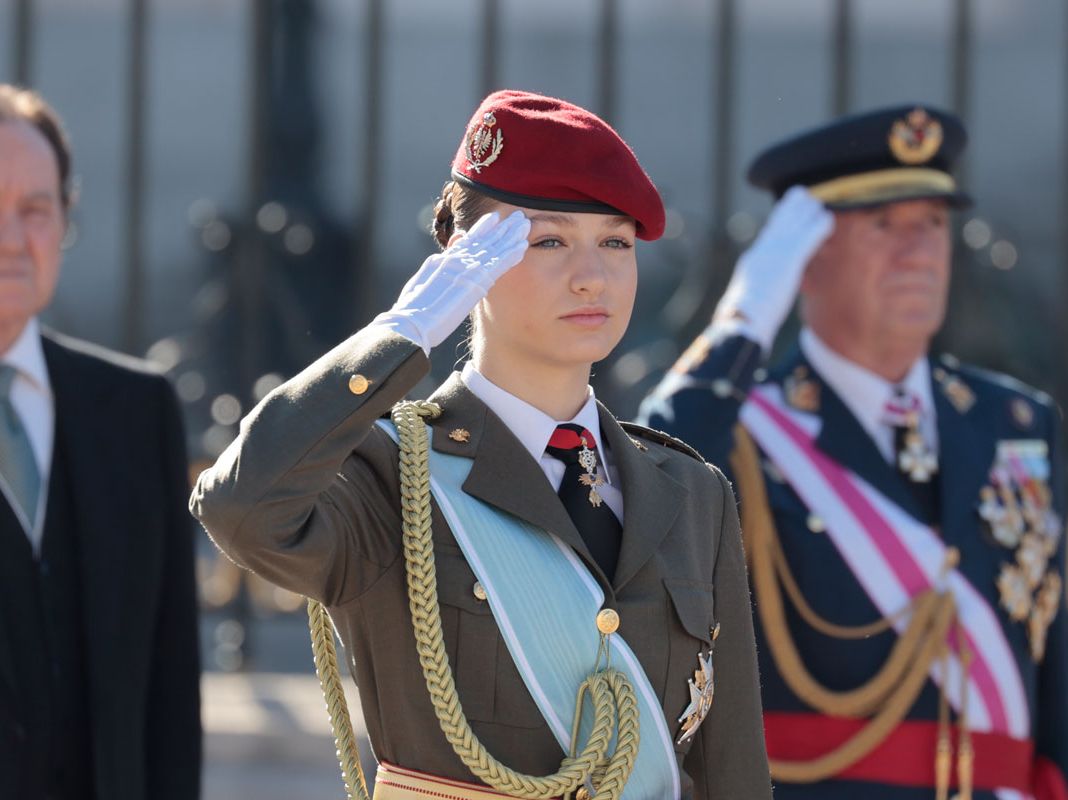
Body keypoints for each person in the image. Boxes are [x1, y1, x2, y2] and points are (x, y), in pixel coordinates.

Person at [191, 89, 771, 800]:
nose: (592, 275)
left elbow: (730, 767)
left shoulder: (690, 491)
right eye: (547, 241)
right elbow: (239, 508)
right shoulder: (387, 472)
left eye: (615, 242)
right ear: (467, 260)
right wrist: (401, 336)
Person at [639, 104, 1068, 799]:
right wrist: (741, 327)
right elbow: (651, 497)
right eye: (882, 225)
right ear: (804, 260)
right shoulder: (740, 431)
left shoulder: (1014, 420)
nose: (917, 250)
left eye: (932, 223)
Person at [0, 84, 202, 799]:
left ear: (63, 221)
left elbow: (171, 684)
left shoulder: (136, 411)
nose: (10, 238)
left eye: (35, 209)